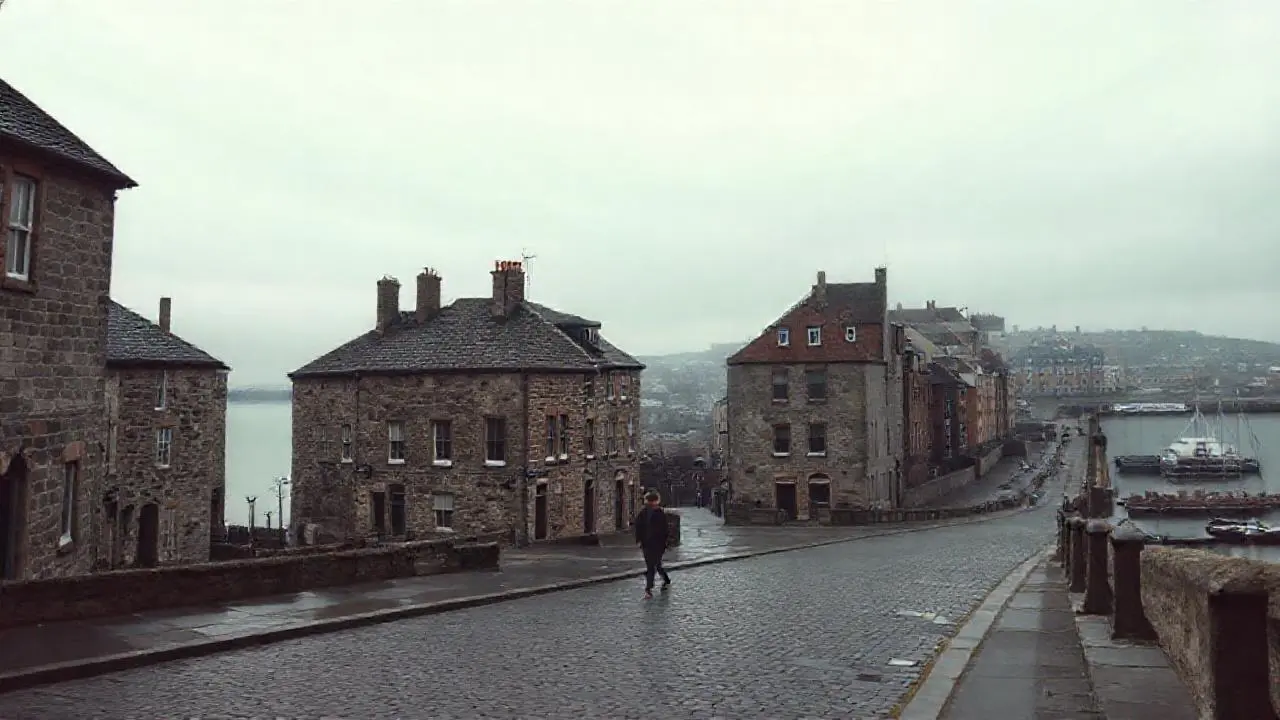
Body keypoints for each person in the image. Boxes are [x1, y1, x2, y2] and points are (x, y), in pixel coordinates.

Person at [634, 489, 671, 598]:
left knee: (653, 566)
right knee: (654, 565)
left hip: (658, 544)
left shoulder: (660, 513)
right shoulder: (643, 513)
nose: (652, 503)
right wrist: (639, 540)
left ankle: (648, 588)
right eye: (650, 501)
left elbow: (664, 530)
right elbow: (638, 527)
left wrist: (665, 542)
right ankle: (664, 580)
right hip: (646, 543)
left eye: (654, 501)